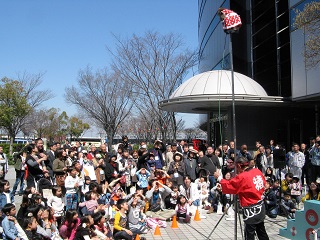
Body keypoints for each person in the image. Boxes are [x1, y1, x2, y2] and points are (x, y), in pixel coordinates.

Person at [217, 156, 269, 240]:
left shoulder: (243, 176)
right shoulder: (257, 171)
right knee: (261, 230)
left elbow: (231, 186)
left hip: (251, 209)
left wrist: (219, 178)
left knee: (250, 234)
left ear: (239, 166)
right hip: (261, 205)